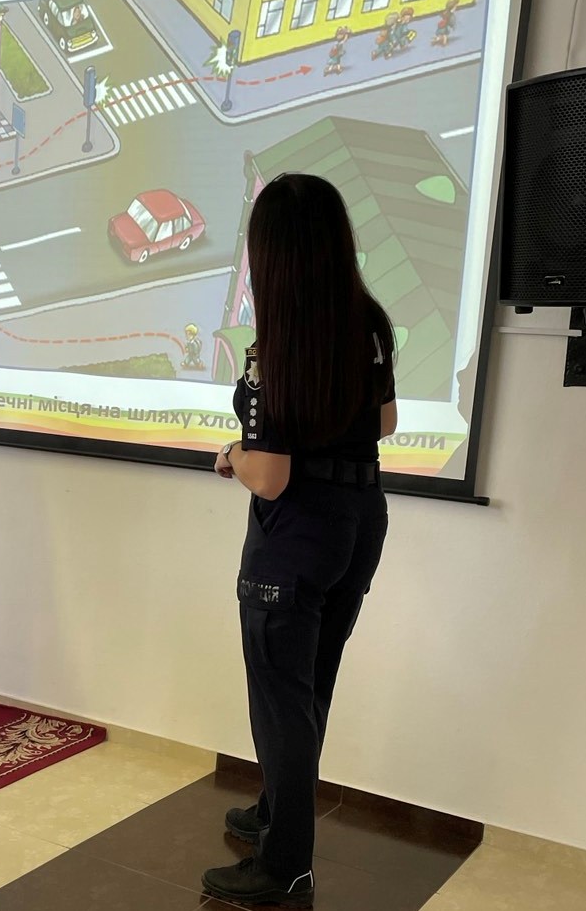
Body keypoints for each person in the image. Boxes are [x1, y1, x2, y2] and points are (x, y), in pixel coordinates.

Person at [201, 174, 397, 908]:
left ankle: (285, 862)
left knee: (279, 698)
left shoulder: (274, 350)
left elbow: (272, 476)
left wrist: (230, 455)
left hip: (295, 537)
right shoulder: (369, 321)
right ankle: (275, 812)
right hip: (359, 521)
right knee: (310, 685)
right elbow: (384, 423)